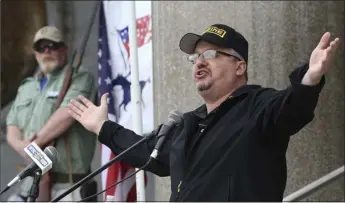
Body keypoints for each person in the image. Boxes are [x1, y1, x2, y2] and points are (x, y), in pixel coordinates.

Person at [67, 24, 340, 201]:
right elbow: (147, 154)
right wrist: (103, 127)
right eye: (194, 57)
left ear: (239, 66)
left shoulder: (259, 106)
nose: (199, 62)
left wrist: (310, 78)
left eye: (210, 54)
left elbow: (293, 108)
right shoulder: (187, 124)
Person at [6, 26, 97, 201]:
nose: (47, 51)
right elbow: (12, 125)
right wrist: (23, 147)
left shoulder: (79, 78)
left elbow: (67, 113)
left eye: (52, 46)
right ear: (35, 54)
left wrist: (34, 145)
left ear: (64, 49)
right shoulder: (27, 86)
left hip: (69, 188)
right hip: (32, 184)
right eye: (41, 47)